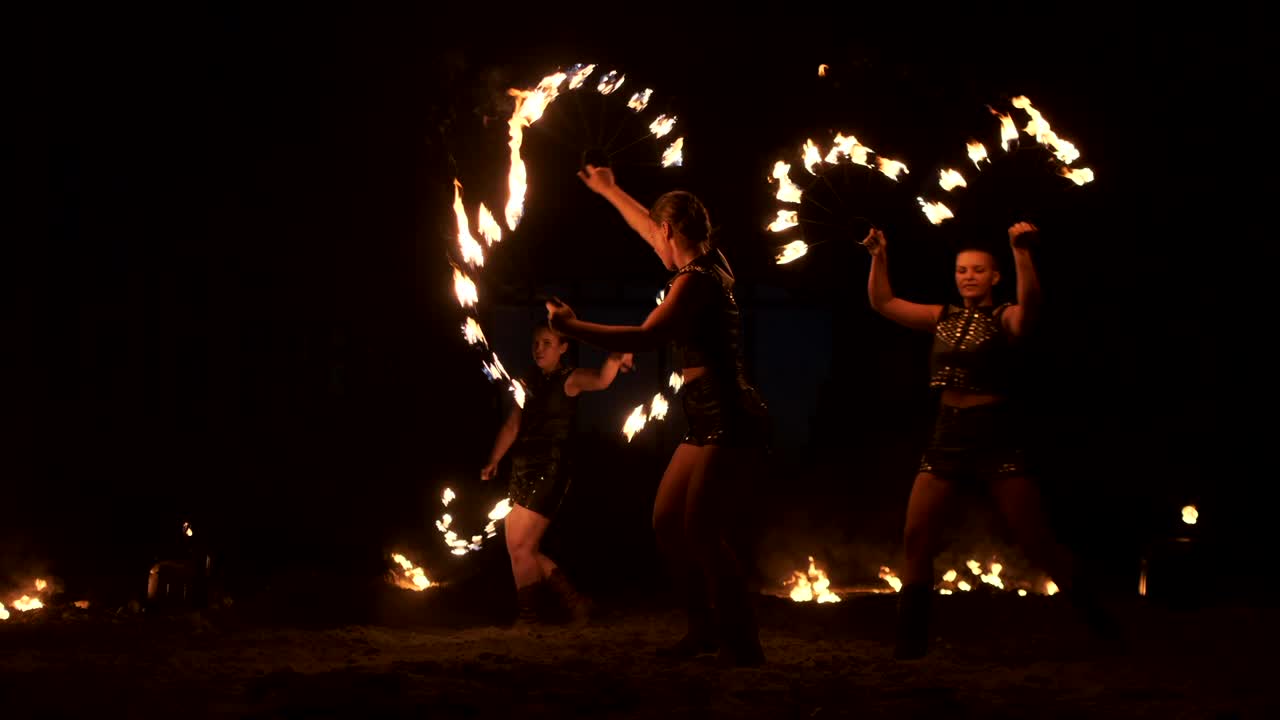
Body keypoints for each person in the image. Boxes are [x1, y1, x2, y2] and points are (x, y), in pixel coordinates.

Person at [544, 164, 772, 667]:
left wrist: (572, 326)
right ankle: (702, 631)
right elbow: (647, 224)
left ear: (671, 232)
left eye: (658, 234)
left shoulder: (693, 283)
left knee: (702, 530)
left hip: (727, 412)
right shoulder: (711, 261)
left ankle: (743, 641)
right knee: (667, 521)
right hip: (703, 414)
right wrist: (609, 190)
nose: (653, 240)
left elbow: (646, 337)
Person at [863, 221, 1120, 659]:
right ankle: (910, 646)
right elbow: (884, 302)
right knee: (916, 537)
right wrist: (878, 257)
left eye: (978, 270)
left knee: (1036, 539)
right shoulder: (942, 316)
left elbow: (1031, 308)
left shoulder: (1005, 318)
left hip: (994, 436)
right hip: (946, 435)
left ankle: (1104, 628)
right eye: (962, 270)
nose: (968, 276)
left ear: (994, 277)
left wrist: (1021, 252)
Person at [481, 323, 633, 627]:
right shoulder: (527, 382)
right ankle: (577, 604)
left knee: (521, 546)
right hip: (522, 468)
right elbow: (513, 424)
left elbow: (603, 380)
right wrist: (494, 460)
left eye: (547, 343)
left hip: (550, 470)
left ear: (563, 347)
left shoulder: (570, 378)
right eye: (535, 342)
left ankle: (529, 618)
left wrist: (618, 354)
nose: (539, 348)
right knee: (523, 548)